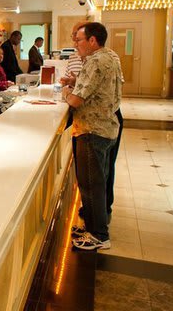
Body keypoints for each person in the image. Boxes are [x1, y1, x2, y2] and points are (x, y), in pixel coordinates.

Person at [61, 22, 121, 251]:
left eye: (79, 40)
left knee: (90, 184)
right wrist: (76, 82)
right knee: (97, 182)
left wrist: (67, 91)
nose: (75, 44)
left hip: (92, 130)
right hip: (106, 127)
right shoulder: (110, 56)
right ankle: (95, 227)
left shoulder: (95, 61)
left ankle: (99, 235)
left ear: (93, 40)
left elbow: (76, 100)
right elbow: (101, 87)